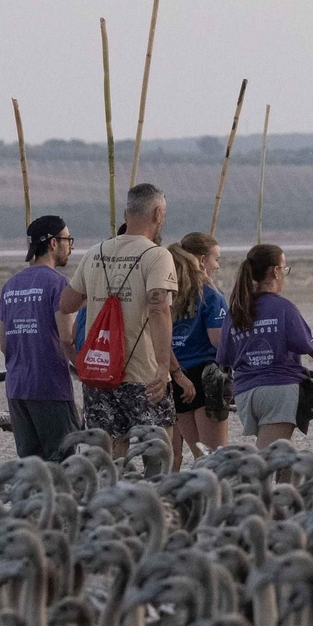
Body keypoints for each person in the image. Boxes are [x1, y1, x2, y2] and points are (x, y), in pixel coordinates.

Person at [67, 183, 183, 452]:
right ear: (157, 213)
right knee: (158, 453)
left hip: (101, 372)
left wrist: (100, 294)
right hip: (144, 374)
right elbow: (158, 308)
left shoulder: (95, 252)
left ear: (126, 213)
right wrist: (164, 367)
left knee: (109, 457)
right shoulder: (157, 255)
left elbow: (67, 302)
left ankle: (111, 493)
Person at [215, 243, 313, 448]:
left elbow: (224, 358)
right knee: (268, 457)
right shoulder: (283, 308)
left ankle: (292, 481)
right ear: (276, 271)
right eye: (284, 268)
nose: (285, 274)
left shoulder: (236, 311)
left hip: (244, 393)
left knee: (286, 455)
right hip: (278, 389)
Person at [0, 215, 84, 461]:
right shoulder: (57, 284)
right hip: (50, 387)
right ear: (54, 243)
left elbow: (4, 344)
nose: (72, 246)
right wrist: (83, 370)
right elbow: (66, 339)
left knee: (31, 467)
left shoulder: (10, 285)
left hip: (17, 388)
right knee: (63, 461)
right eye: (68, 239)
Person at [169, 232, 228, 468]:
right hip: (207, 376)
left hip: (179, 377)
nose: (218, 265)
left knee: (200, 456)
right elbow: (218, 340)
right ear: (202, 260)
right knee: (215, 457)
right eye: (216, 258)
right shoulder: (210, 294)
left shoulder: (171, 294)